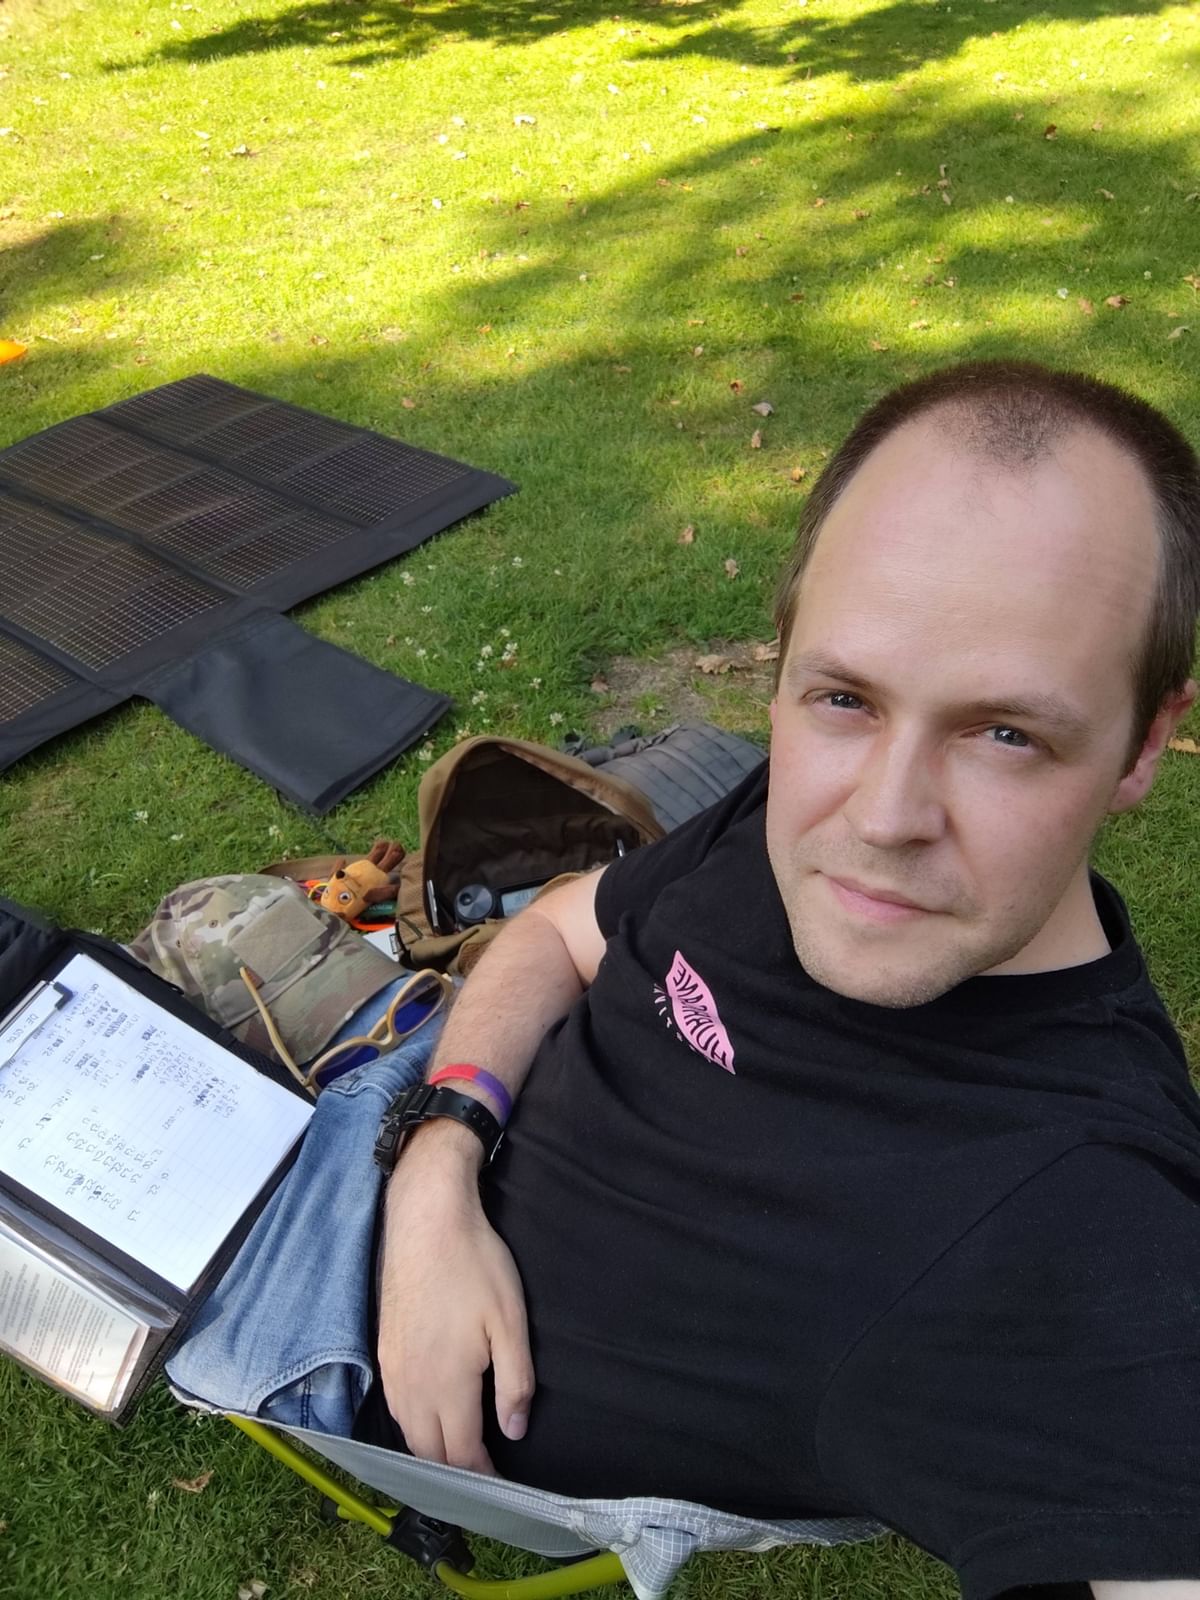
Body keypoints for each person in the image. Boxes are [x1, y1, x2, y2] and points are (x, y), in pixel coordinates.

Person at [362, 361, 1200, 1597]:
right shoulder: (779, 821)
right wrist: (436, 1167)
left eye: (1005, 733)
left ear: (1144, 744)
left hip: (316, 1329)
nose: (882, 817)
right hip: (424, 1109)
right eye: (845, 697)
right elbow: (557, 930)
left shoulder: (1083, 1211)